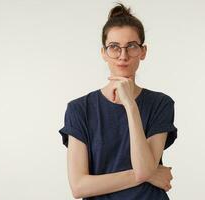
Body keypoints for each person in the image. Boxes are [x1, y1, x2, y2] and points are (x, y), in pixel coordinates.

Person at [58, 3, 178, 200]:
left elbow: (143, 169)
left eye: (131, 46)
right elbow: (79, 187)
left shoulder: (160, 103)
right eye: (114, 47)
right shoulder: (79, 109)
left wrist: (130, 105)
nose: (123, 56)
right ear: (104, 52)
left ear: (143, 51)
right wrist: (150, 174)